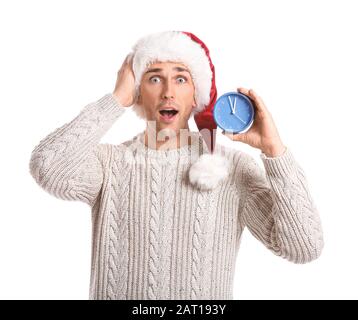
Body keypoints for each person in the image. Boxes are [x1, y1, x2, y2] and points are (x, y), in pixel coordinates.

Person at [29, 31, 324, 300]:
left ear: (197, 94)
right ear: (138, 91)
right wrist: (116, 99)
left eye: (181, 78)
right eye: (154, 78)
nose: (168, 91)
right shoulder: (110, 164)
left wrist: (274, 151)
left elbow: (303, 247)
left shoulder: (230, 168)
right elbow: (47, 164)